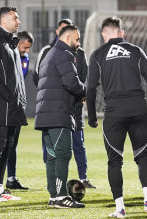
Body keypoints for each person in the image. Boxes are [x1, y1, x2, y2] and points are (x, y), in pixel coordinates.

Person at [87, 17, 147, 218]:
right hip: (138, 109)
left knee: (114, 162)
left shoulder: (97, 55)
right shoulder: (136, 51)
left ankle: (120, 209)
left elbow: (90, 88)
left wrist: (92, 116)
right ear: (121, 33)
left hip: (114, 112)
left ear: (104, 34)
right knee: (143, 157)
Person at [34, 18, 96, 189]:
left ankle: (54, 194)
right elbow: (71, 82)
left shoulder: (50, 53)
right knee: (63, 154)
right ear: (68, 38)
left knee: (53, 156)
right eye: (77, 39)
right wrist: (86, 92)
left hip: (46, 114)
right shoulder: (64, 54)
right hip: (58, 113)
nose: (78, 43)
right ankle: (61, 194)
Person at [0, 6, 27, 202]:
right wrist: (8, 96)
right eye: (15, 18)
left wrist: (18, 99)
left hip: (12, 105)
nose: (19, 22)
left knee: (7, 146)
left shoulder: (11, 43)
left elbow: (16, 78)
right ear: (4, 20)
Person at [6, 31, 34, 190]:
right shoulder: (8, 55)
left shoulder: (24, 58)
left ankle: (11, 178)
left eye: (28, 48)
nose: (27, 51)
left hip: (17, 104)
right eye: (25, 47)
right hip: (5, 104)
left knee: (12, 143)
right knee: (3, 142)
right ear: (18, 44)